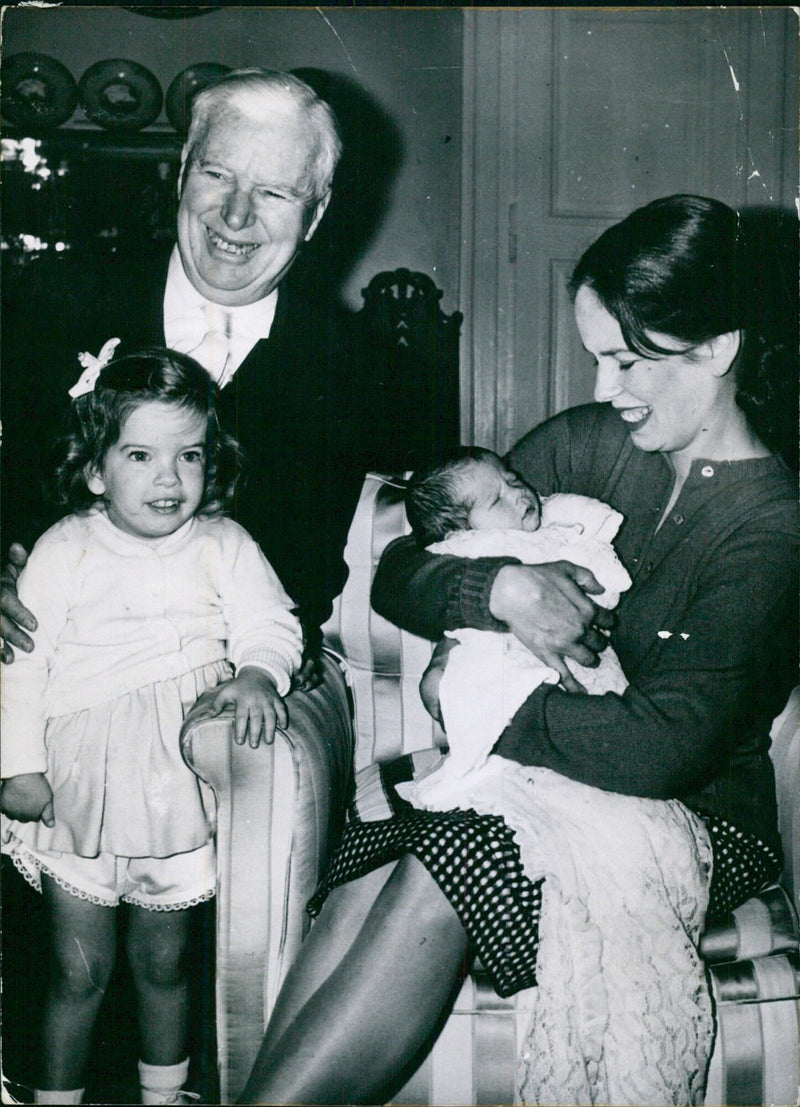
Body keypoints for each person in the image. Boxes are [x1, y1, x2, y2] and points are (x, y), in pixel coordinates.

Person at [236, 195, 798, 1106]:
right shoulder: (590, 444)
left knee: (443, 855)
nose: (606, 387)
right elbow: (406, 561)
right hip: (546, 779)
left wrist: (485, 706)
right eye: (596, 357)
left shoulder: (771, 526)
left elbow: (662, 748)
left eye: (629, 358)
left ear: (719, 346)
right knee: (368, 862)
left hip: (697, 817)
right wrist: (491, 588)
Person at [0, 348, 303, 1105]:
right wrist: (15, 764)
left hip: (178, 790)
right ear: (97, 468)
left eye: (189, 455)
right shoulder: (64, 547)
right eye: (141, 454)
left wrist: (259, 670)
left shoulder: (224, 543)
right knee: (80, 968)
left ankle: (164, 1097)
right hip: (81, 789)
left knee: (165, 965)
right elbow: (21, 666)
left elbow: (272, 620)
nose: (169, 480)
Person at [1, 67, 366, 674]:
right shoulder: (57, 299)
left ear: (317, 212)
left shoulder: (352, 367)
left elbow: (309, 571)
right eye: (217, 174)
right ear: (183, 168)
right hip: (38, 651)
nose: (236, 215)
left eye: (275, 192)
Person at [400, 445, 630, 807]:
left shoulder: (548, 530)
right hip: (500, 670)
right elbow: (404, 571)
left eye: (513, 480)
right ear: (459, 530)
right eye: (496, 500)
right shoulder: (473, 547)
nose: (520, 492)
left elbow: (604, 583)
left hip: (577, 692)